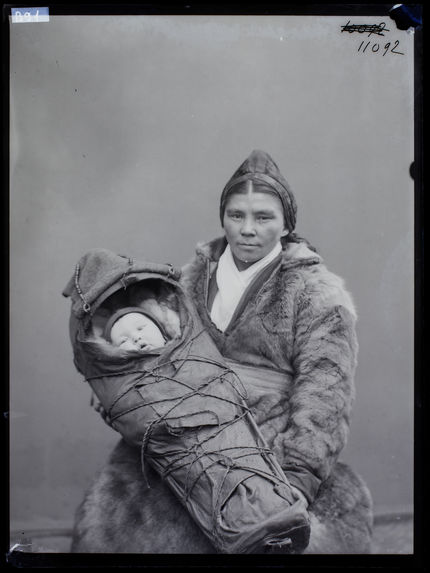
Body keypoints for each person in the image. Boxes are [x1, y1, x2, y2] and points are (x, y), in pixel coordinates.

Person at [70, 150, 373, 554]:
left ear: (286, 225)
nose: (247, 230)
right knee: (114, 512)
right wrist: (119, 379)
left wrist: (296, 477)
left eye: (263, 217)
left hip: (268, 435)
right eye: (236, 215)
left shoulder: (318, 294)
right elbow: (149, 350)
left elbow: (325, 398)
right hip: (181, 423)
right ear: (223, 217)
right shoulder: (187, 279)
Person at [64, 248, 312, 554]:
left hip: (231, 407)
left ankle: (273, 512)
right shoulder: (123, 373)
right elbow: (121, 398)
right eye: (123, 341)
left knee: (241, 460)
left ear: (161, 325)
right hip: (167, 435)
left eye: (141, 328)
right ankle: (247, 527)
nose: (136, 339)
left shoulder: (188, 333)